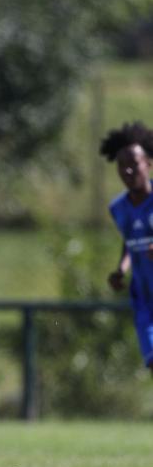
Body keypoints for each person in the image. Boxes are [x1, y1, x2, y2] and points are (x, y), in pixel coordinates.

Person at [101, 121, 153, 375]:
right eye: (122, 165)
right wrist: (121, 269)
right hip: (144, 297)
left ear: (148, 164)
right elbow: (130, 241)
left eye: (134, 163)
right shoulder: (118, 208)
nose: (128, 170)